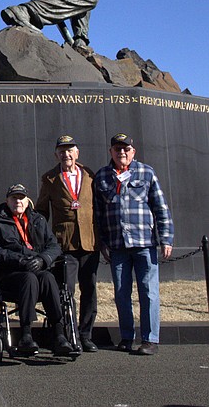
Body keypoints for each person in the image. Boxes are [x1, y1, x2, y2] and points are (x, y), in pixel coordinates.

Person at [93, 133, 174, 355]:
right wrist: (102, 243)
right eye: (117, 149)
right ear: (110, 151)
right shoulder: (101, 177)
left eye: (126, 149)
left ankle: (150, 339)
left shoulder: (146, 172)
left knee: (148, 292)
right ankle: (127, 337)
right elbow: (98, 214)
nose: (122, 153)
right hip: (117, 246)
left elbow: (161, 208)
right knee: (121, 293)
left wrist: (166, 238)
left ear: (133, 151)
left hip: (144, 243)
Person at [0, 183, 73, 356]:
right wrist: (19, 259)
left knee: (48, 278)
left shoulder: (38, 220)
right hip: (10, 273)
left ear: (27, 200)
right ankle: (26, 334)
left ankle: (60, 334)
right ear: (7, 200)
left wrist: (42, 259)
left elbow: (54, 246)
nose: (18, 201)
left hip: (37, 268)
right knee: (28, 278)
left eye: (21, 197)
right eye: (14, 198)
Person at [36, 134, 100, 352]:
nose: (66, 154)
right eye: (62, 151)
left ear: (77, 153)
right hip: (64, 246)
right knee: (66, 291)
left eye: (70, 150)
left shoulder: (90, 175)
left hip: (89, 243)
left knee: (89, 289)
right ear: (56, 155)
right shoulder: (49, 179)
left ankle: (86, 334)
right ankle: (66, 334)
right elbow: (41, 212)